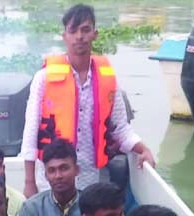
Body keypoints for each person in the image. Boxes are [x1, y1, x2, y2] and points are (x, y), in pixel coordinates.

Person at [19, 3, 155, 198]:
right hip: (49, 180)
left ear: (95, 34)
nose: (79, 37)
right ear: (64, 36)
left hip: (90, 178)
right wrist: (29, 182)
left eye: (85, 30)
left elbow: (121, 128)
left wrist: (143, 149)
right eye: (73, 31)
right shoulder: (43, 78)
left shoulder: (108, 80)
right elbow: (30, 132)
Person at [17, 138, 83, 216]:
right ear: (46, 175)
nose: (58, 176)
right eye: (52, 170)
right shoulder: (32, 209)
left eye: (64, 168)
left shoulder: (89, 205)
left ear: (76, 170)